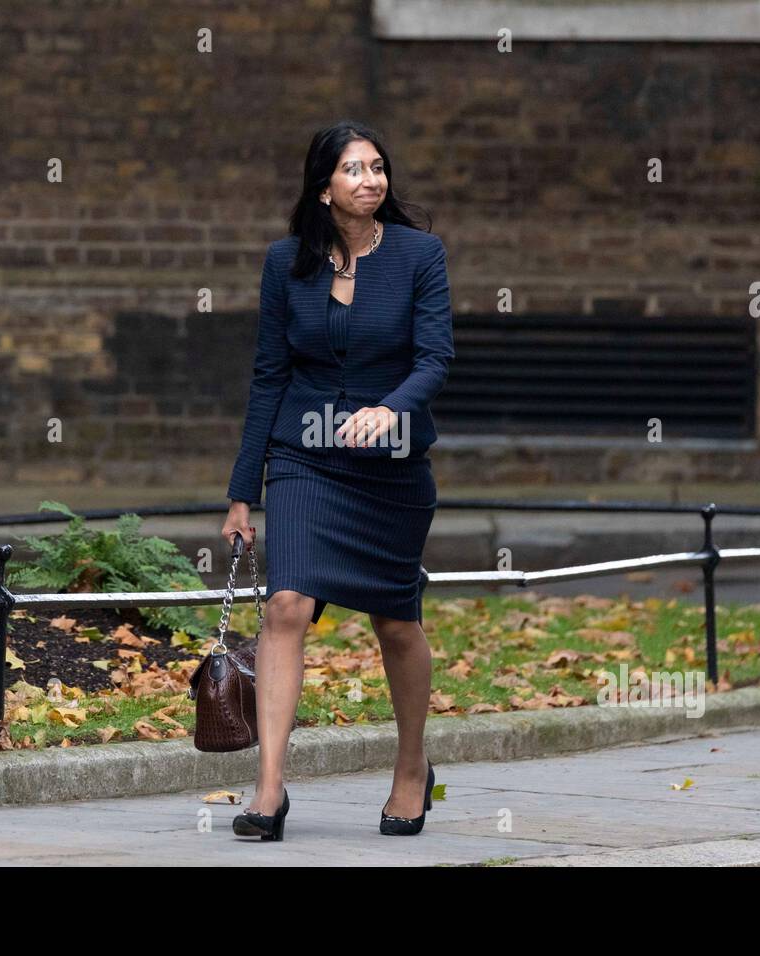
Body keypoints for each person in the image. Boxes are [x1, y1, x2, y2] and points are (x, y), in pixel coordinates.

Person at [221, 120, 454, 839]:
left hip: (390, 469)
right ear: (324, 188)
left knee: (395, 621)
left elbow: (435, 357)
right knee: (286, 605)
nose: (371, 180)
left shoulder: (419, 255)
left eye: (378, 167)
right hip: (304, 459)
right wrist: (241, 491)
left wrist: (391, 411)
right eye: (354, 169)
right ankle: (267, 790)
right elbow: (268, 376)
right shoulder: (285, 262)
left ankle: (411, 767)